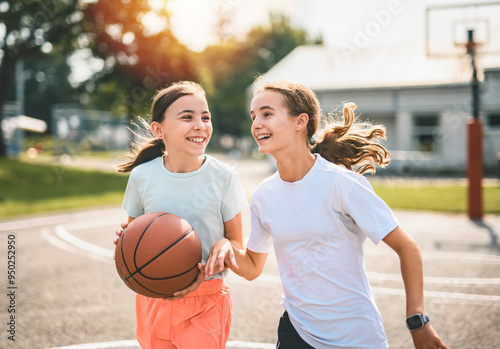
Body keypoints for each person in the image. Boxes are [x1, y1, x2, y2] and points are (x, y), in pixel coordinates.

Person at [205, 80, 449, 349]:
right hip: (297, 334)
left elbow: (407, 248)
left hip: (357, 337)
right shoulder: (265, 194)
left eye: (267, 113)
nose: (256, 124)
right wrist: (226, 246)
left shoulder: (340, 184)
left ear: (301, 121)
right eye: (253, 117)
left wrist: (418, 321)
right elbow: (252, 267)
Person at [114, 81, 248, 349]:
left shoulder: (224, 177)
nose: (199, 124)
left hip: (206, 300)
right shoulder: (142, 176)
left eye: (205, 117)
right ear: (158, 129)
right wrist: (126, 243)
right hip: (154, 295)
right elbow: (134, 237)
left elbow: (236, 243)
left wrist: (223, 247)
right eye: (187, 117)